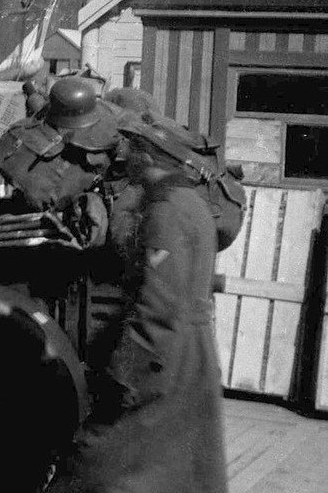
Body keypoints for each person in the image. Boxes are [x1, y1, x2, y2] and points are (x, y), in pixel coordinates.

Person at [46, 129, 228, 493]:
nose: (126, 158)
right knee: (176, 466)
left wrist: (123, 373)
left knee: (95, 459)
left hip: (161, 357)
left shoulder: (165, 211)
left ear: (148, 158)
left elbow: (159, 306)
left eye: (134, 150)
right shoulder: (192, 202)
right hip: (190, 356)